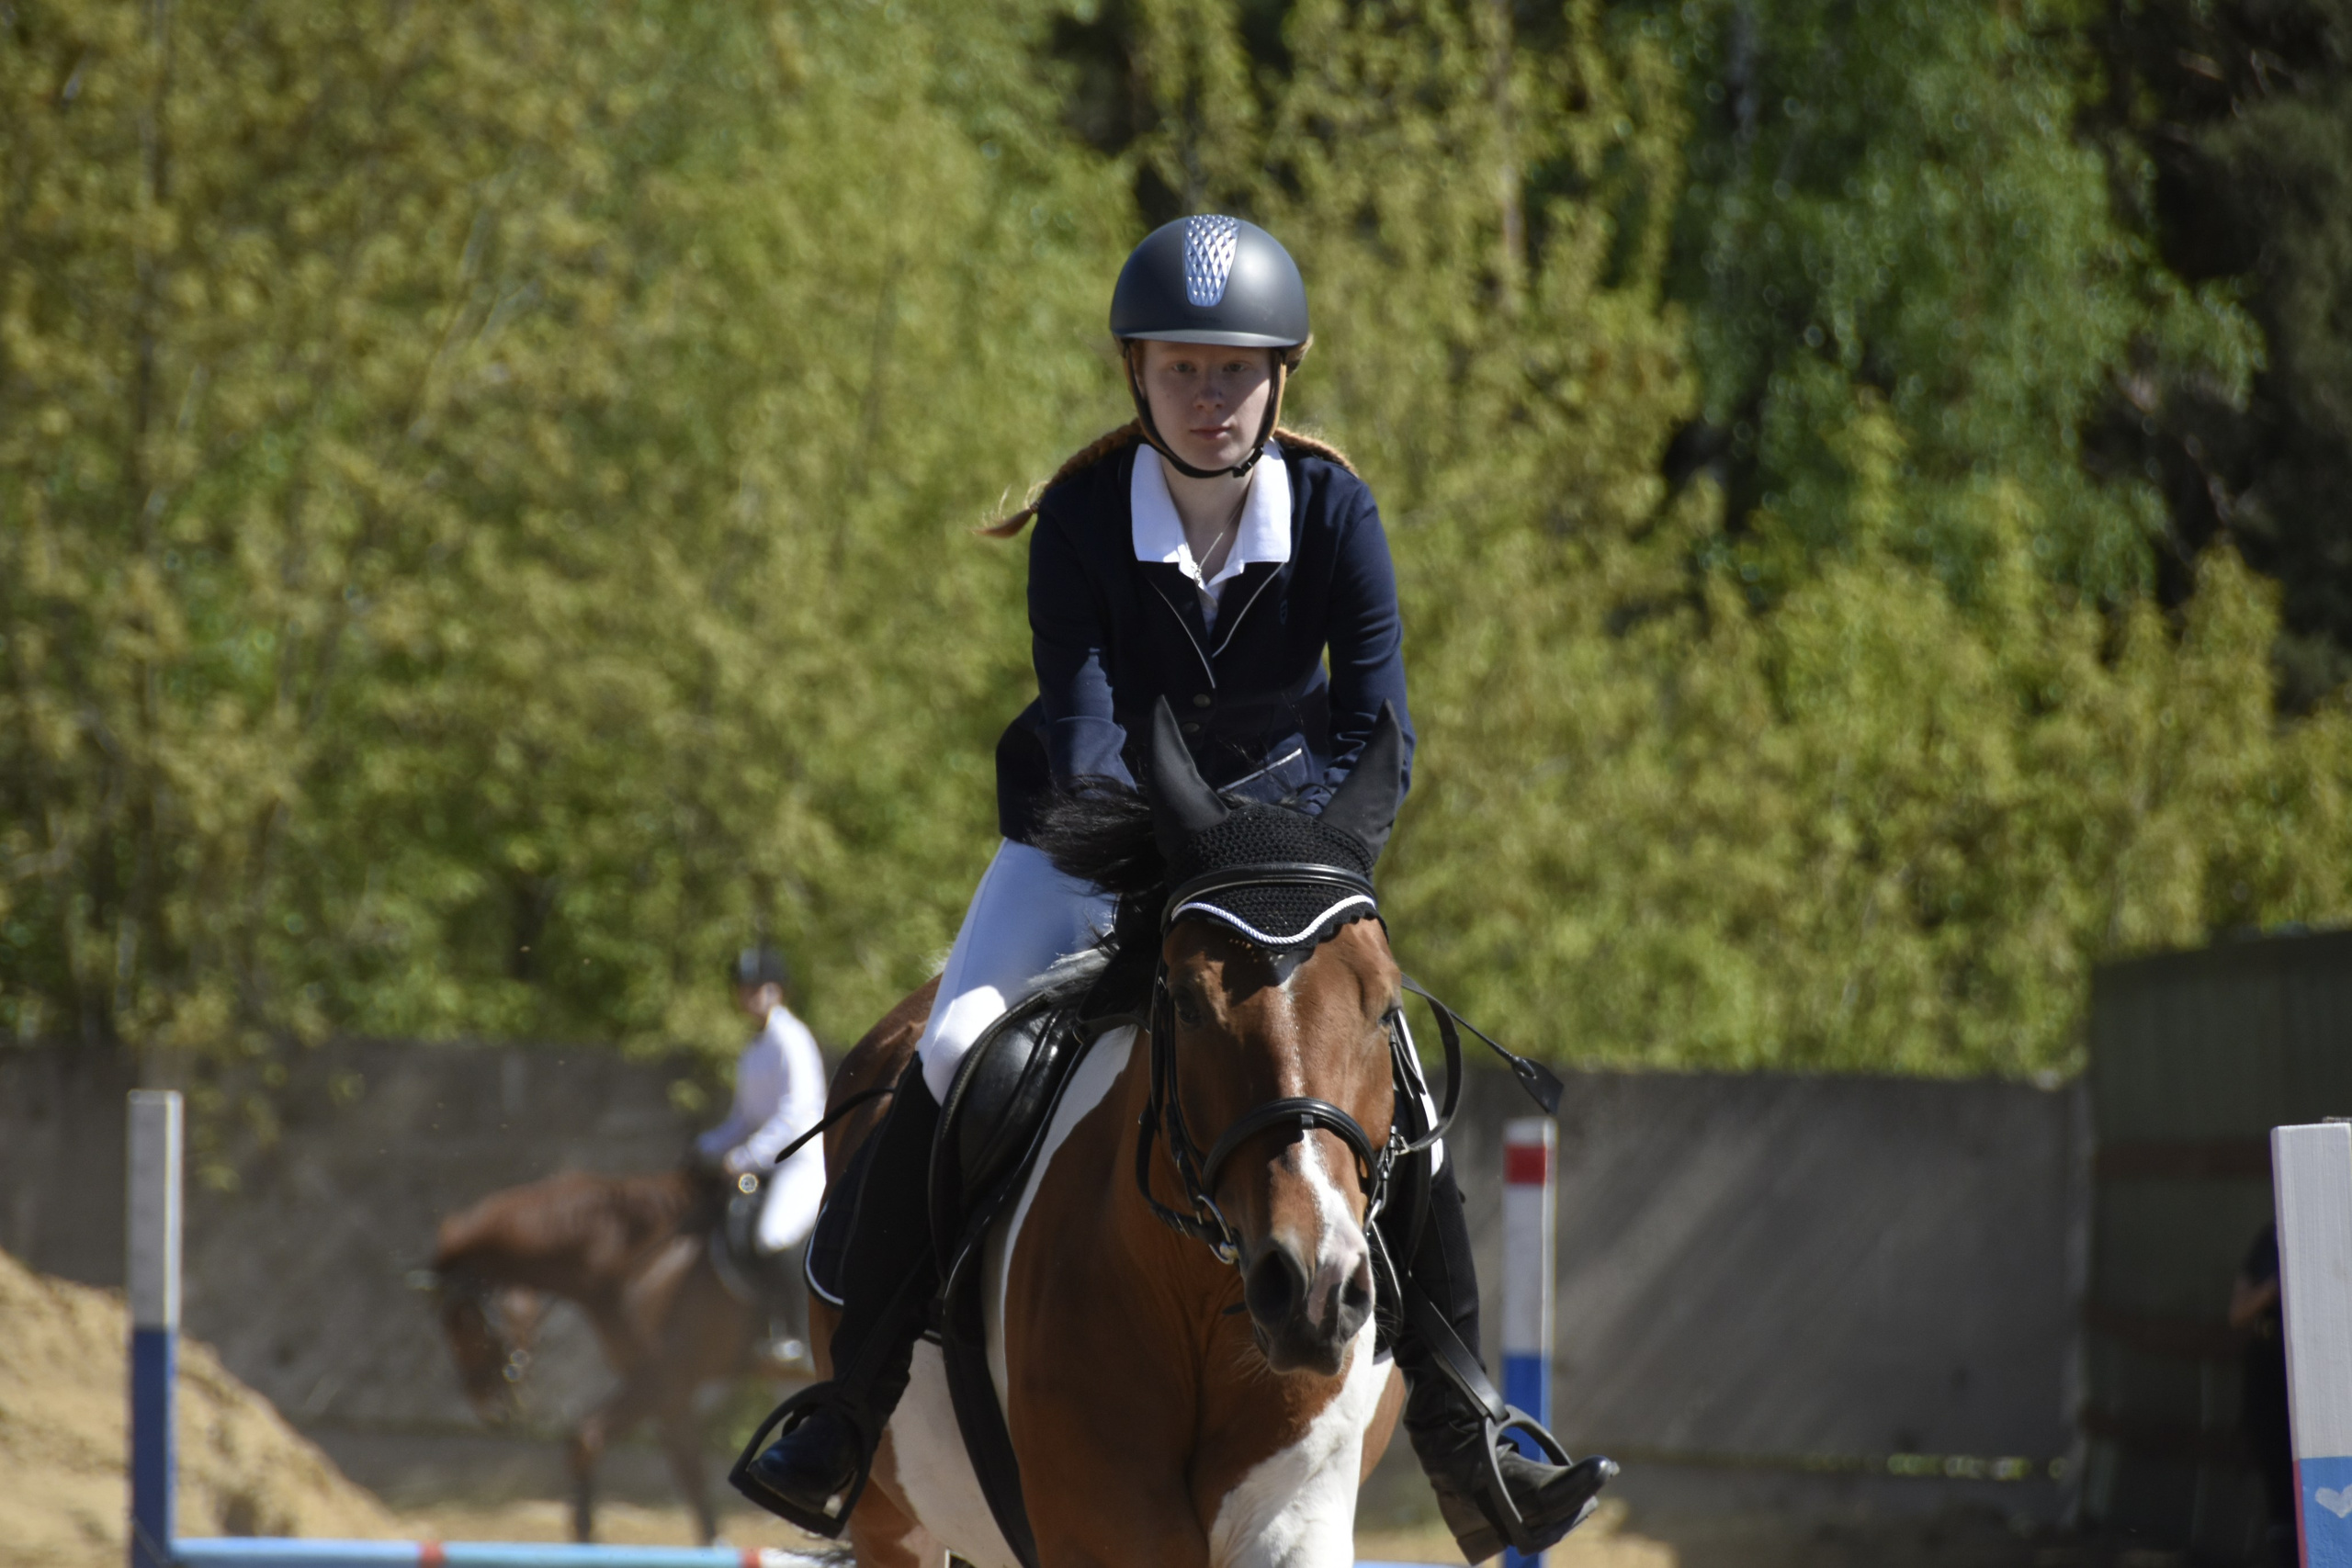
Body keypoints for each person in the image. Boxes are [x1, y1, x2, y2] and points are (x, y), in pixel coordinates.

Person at [735, 215, 1612, 1562]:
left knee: (1405, 1086)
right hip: (1085, 844)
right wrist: (1185, 844)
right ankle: (847, 1409)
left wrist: (1277, 849)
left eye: (1237, 370)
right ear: (1136, 374)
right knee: (958, 1044)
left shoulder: (1335, 509)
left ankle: (1465, 1418)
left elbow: (1381, 731)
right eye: (1184, 370)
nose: (1212, 399)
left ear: (1283, 376)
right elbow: (1087, 739)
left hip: (1285, 861)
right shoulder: (1084, 517)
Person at [698, 947, 828, 1358]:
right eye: (745, 987)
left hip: (802, 1163)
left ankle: (796, 1336)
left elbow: (796, 1117)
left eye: (759, 987)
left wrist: (742, 1158)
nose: (751, 994)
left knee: (772, 1237)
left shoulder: (792, 1039)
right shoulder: (752, 1050)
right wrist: (705, 1146)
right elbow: (743, 1119)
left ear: (778, 990)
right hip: (768, 1164)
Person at [2233, 1224, 2293, 1567]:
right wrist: (2273, 1287)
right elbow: (2238, 1312)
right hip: (2271, 1381)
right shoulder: (2270, 1239)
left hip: (2321, 1383)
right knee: (2281, 1491)